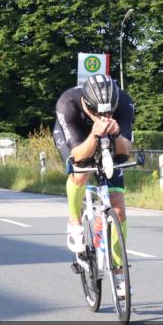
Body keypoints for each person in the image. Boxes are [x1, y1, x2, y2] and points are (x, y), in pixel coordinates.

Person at [53, 74, 135, 297]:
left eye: (109, 112)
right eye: (99, 113)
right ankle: (74, 219)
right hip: (78, 137)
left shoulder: (125, 103)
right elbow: (78, 153)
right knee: (80, 174)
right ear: (87, 105)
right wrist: (95, 132)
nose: (105, 116)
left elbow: (124, 149)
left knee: (117, 206)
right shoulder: (67, 104)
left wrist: (115, 132)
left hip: (111, 143)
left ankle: (118, 271)